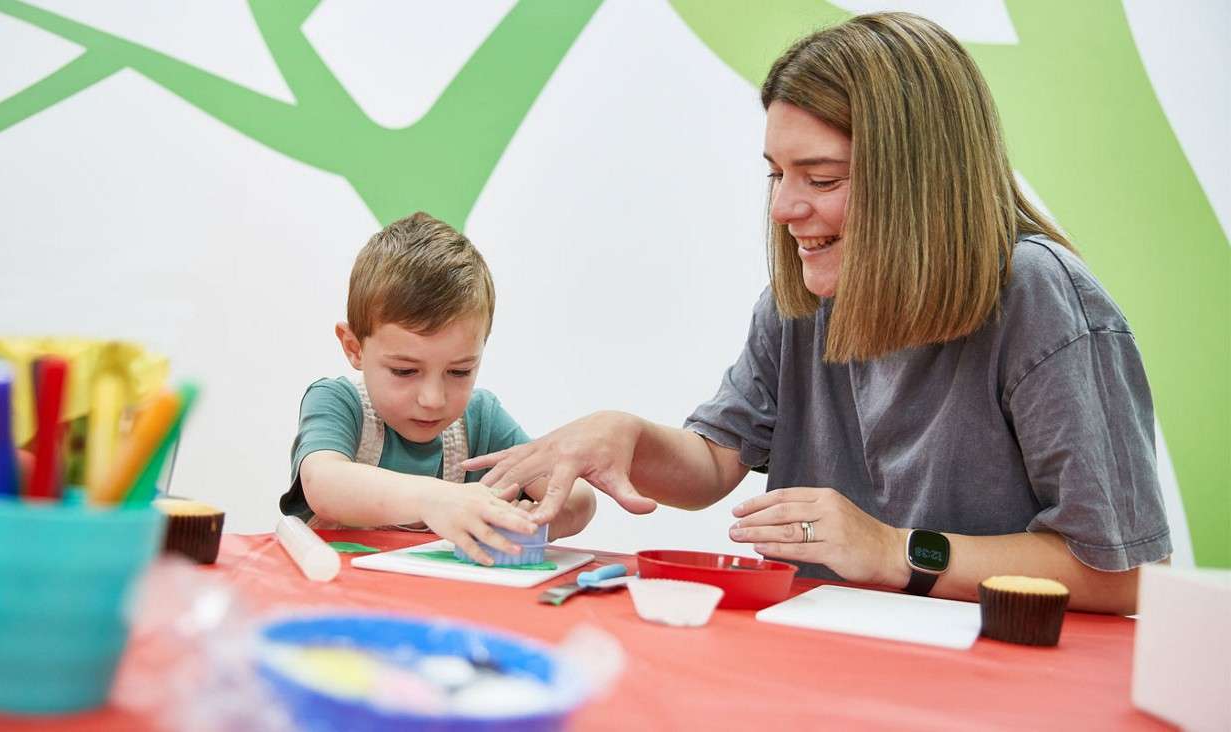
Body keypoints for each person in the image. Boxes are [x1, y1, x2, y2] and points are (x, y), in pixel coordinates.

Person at [464, 13, 1170, 612]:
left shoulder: (1040, 296)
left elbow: (1124, 574)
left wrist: (897, 551)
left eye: (821, 178)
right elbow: (714, 462)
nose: (783, 208)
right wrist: (626, 436)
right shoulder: (798, 306)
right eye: (776, 173)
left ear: (918, 178)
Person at [282, 212, 596, 565]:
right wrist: (434, 499)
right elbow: (324, 483)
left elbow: (578, 497)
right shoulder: (339, 402)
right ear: (354, 348)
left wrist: (531, 521)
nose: (433, 399)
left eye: (459, 371)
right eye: (404, 370)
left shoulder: (482, 419)